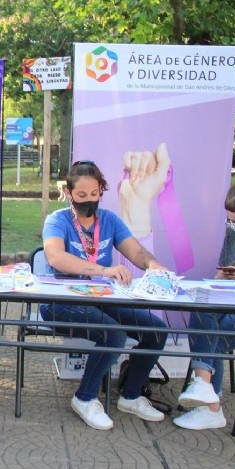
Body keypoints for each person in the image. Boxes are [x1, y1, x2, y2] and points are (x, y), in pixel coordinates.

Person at [42, 160, 169, 430]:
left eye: (94, 194)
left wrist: (154, 265)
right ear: (68, 194)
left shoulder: (109, 220)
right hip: (61, 301)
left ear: (102, 191)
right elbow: (56, 257)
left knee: (156, 331)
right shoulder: (57, 220)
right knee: (113, 334)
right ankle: (85, 398)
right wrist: (104, 269)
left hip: (102, 297)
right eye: (81, 196)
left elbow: (137, 252)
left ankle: (131, 395)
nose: (89, 201)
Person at [175, 181, 235, 430]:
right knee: (202, 307)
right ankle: (207, 392)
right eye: (232, 222)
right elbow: (227, 268)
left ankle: (209, 401)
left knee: (210, 336)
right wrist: (223, 278)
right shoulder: (233, 233)